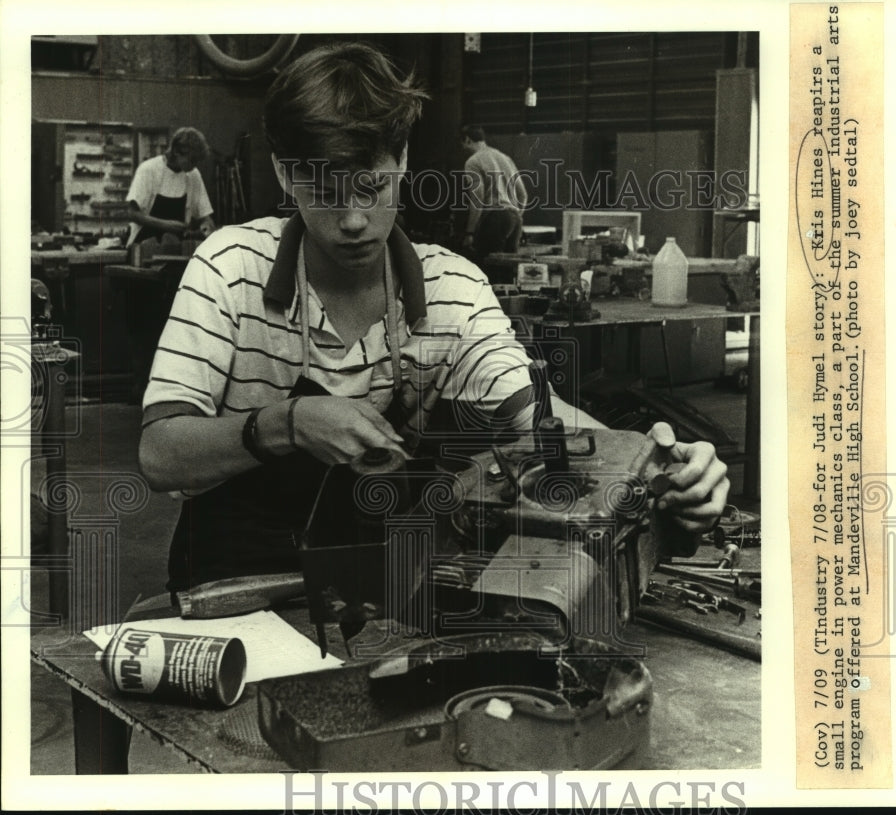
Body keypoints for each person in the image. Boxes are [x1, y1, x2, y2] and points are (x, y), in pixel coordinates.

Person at [137, 42, 729, 592]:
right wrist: (286, 423)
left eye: (371, 186)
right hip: (228, 590)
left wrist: (658, 466)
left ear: (401, 158)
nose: (351, 220)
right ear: (287, 173)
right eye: (324, 190)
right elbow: (160, 455)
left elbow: (541, 422)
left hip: (378, 595)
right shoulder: (229, 267)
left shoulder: (453, 291)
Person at [126, 127, 216, 247]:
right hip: (143, 247)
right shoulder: (149, 169)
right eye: (192, 160)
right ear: (176, 152)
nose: (194, 166)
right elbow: (132, 213)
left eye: (197, 161)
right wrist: (167, 225)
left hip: (176, 248)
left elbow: (204, 216)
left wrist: (207, 228)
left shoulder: (193, 175)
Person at [459, 125, 527, 263]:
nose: (463, 149)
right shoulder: (505, 158)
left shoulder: (473, 162)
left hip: (494, 220)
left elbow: (477, 199)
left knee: (489, 271)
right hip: (515, 219)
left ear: (467, 140)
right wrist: (515, 216)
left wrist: (470, 233)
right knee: (508, 272)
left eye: (462, 145)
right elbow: (523, 195)